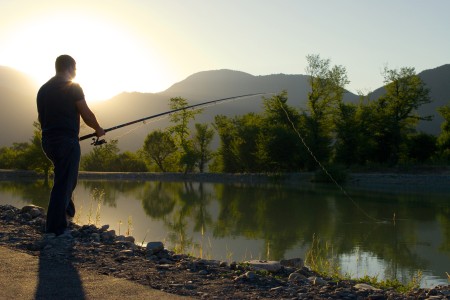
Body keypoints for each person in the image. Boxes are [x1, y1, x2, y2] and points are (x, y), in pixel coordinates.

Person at [37, 54, 105, 236]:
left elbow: (41, 119)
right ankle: (55, 228)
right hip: (66, 141)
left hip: (48, 142)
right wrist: (98, 129)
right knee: (65, 182)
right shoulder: (73, 87)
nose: (76, 72)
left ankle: (67, 214)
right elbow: (87, 114)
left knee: (63, 178)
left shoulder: (43, 89)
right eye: (75, 68)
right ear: (70, 67)